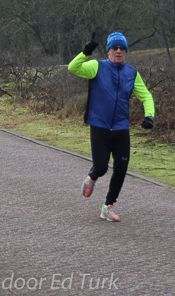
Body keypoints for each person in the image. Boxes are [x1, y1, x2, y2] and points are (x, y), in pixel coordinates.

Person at [68, 32, 155, 222]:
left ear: (126, 52)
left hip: (121, 128)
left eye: (122, 48)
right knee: (101, 167)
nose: (118, 51)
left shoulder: (132, 73)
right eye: (114, 48)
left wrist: (149, 116)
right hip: (99, 126)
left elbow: (146, 95)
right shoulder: (96, 67)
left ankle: (108, 206)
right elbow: (73, 68)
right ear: (108, 51)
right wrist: (85, 52)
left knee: (121, 168)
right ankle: (92, 176)